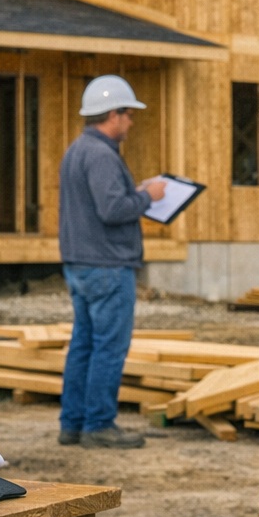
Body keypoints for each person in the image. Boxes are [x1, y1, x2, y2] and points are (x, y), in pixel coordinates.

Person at [57, 74, 166, 450]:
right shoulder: (103, 155)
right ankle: (99, 424)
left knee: (84, 344)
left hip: (81, 262)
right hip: (107, 265)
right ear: (114, 115)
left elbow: (101, 202)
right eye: (128, 114)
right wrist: (148, 196)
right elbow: (112, 209)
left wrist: (132, 194)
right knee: (108, 346)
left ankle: (72, 423)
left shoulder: (78, 149)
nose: (131, 123)